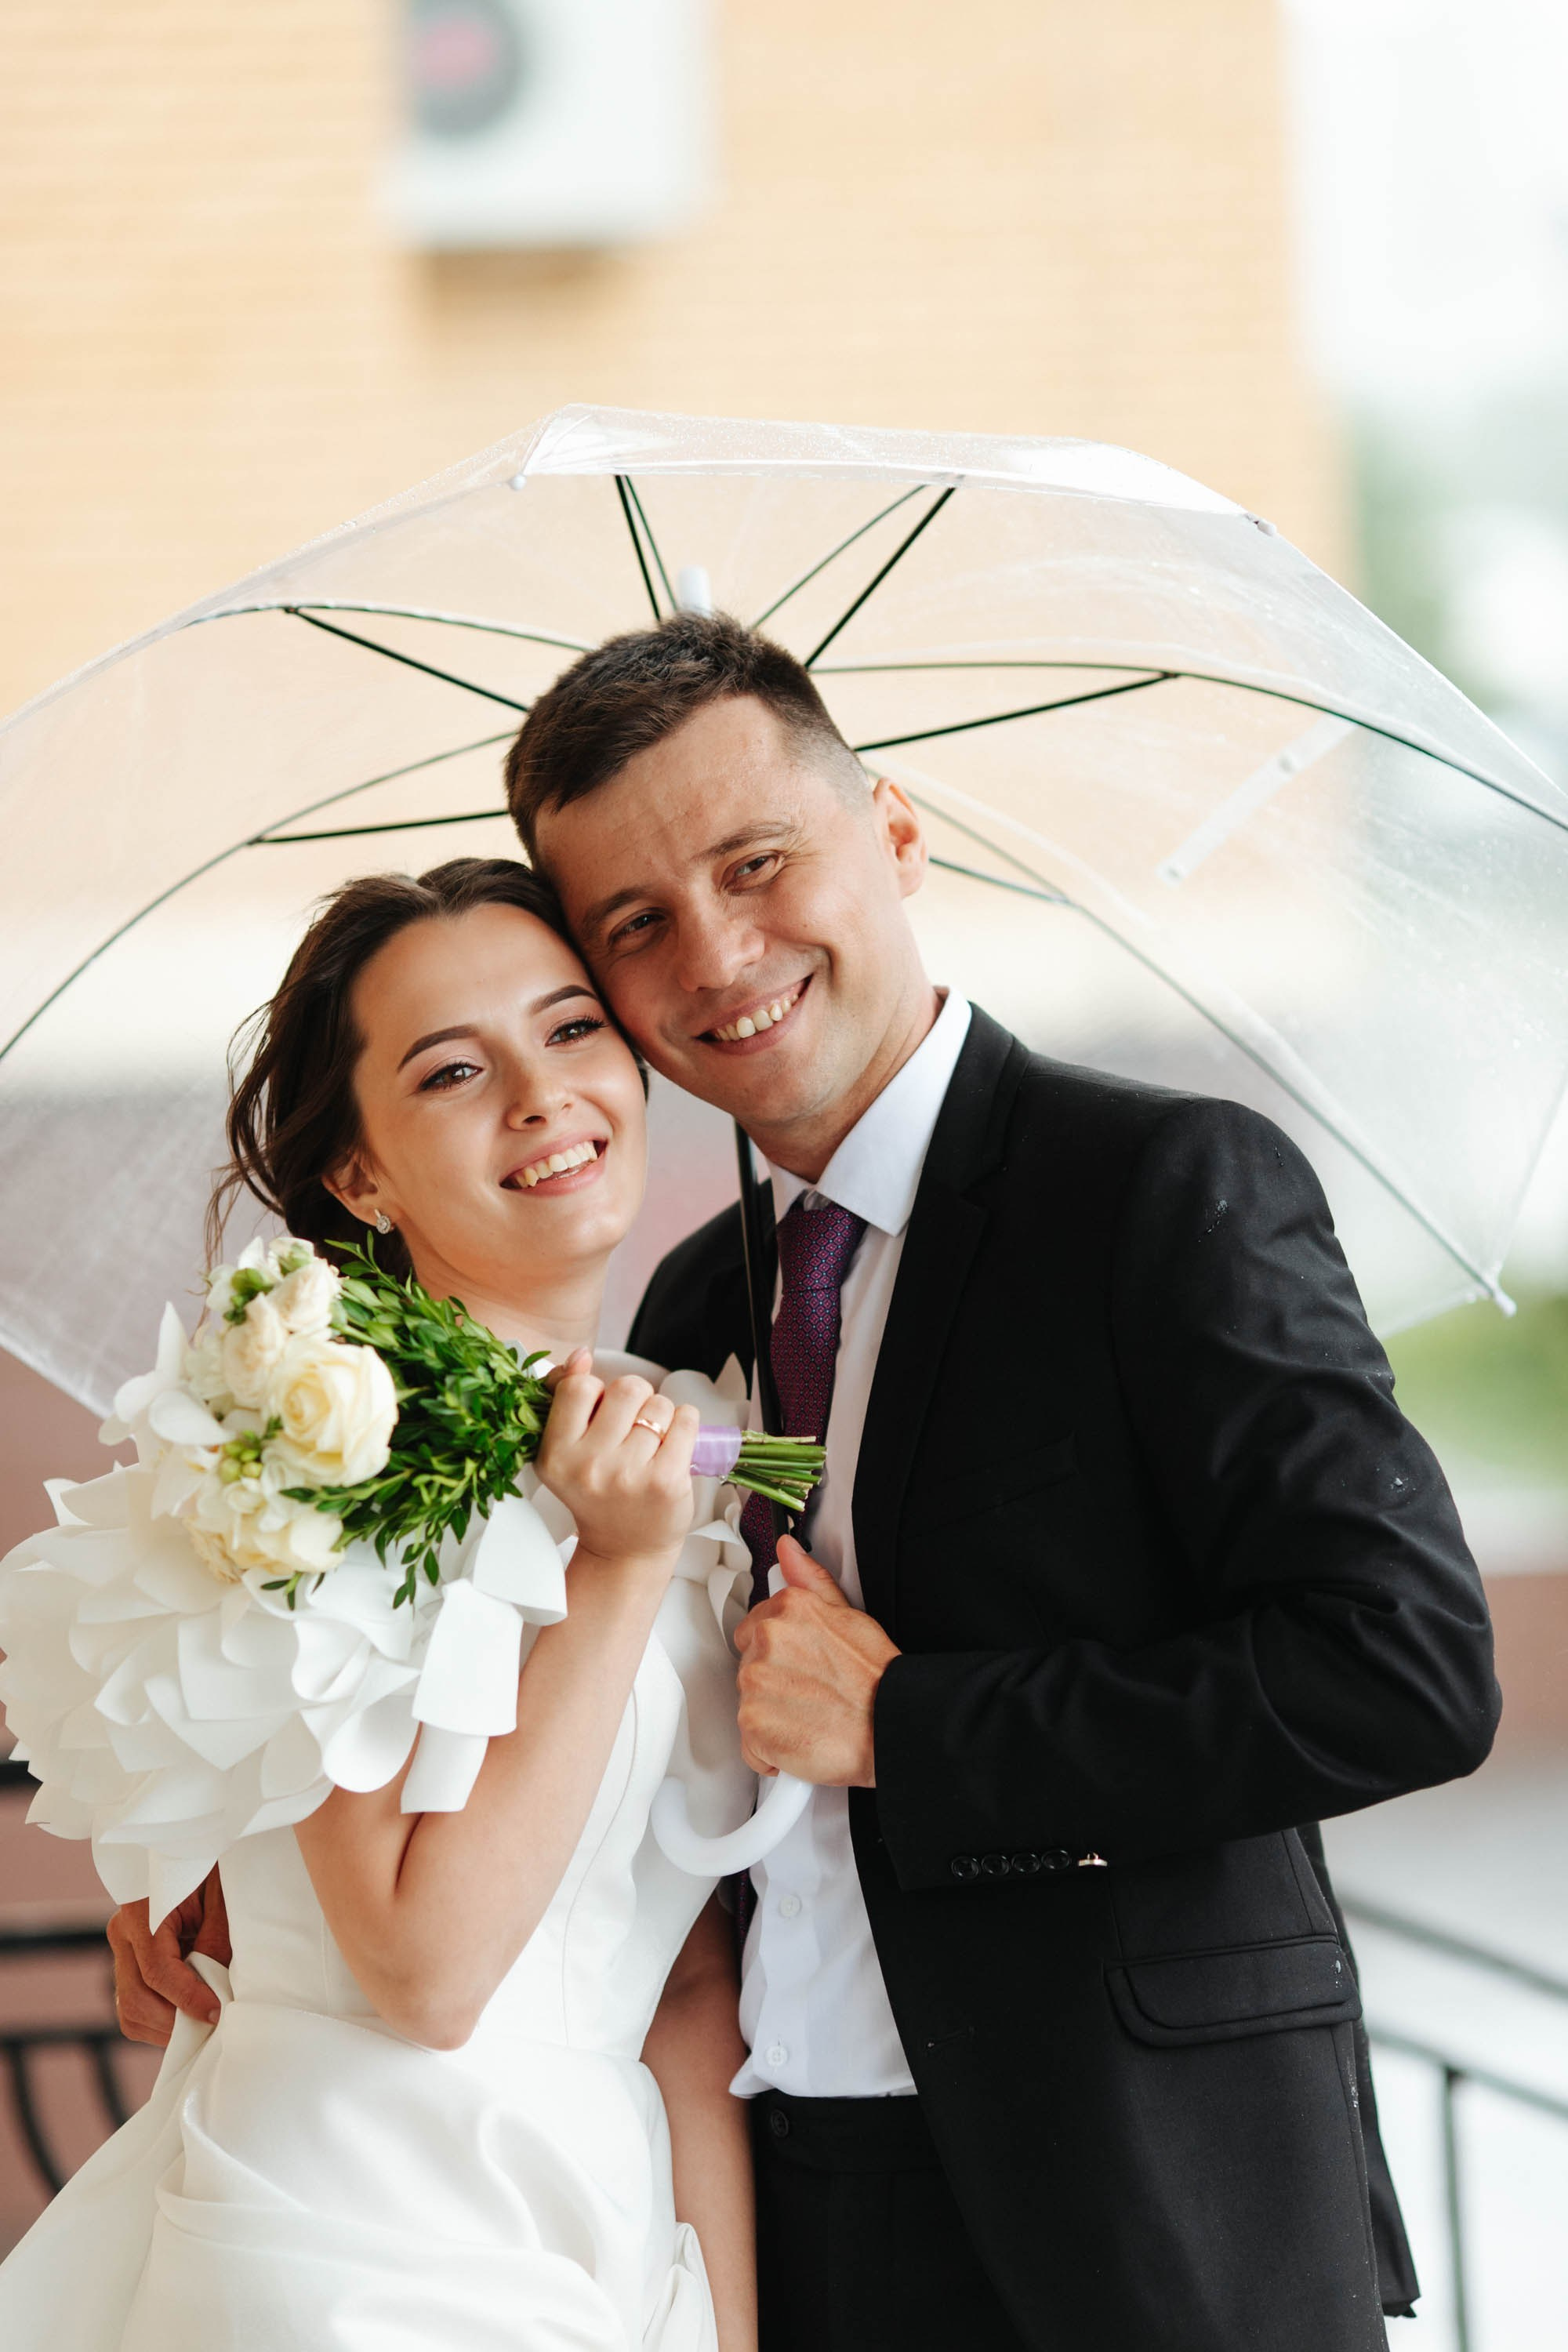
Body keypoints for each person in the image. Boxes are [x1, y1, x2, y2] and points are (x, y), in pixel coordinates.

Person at [111, 612, 1500, 2352]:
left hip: (1140, 2205)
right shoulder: (693, 1314)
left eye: (756, 864)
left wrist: (914, 1726)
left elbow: (1404, 1673)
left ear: (894, 835)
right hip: (795, 2192)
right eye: (635, 927)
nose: (715, 955)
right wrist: (251, 1839)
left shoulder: (1151, 1190)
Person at [0, 857, 759, 2352]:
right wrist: (611, 1570)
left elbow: (683, 1971)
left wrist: (725, 2327)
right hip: (357, 2225)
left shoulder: (688, 1434)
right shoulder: (307, 1444)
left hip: (606, 2213)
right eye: (456, 1070)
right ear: (359, 1174)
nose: (541, 1097)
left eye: (572, 1030)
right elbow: (422, 1969)